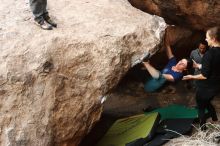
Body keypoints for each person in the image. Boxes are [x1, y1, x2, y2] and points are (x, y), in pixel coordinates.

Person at [183, 27, 220, 130]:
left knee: (201, 107)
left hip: (206, 87)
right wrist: (198, 66)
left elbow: (204, 75)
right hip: (216, 86)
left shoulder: (209, 54)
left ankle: (202, 129)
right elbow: (214, 67)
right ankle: (215, 119)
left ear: (213, 38)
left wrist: (191, 76)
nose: (206, 39)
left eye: (207, 37)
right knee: (207, 102)